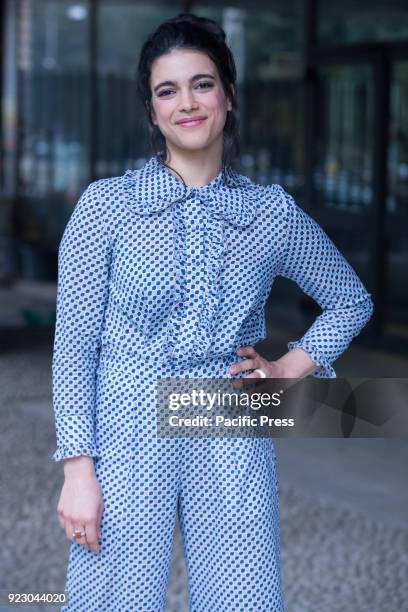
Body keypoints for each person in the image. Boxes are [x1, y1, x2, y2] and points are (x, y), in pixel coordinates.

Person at [51, 12, 374, 612]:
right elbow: (74, 349)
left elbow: (350, 300)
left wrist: (285, 371)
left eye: (202, 83)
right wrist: (77, 470)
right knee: (112, 601)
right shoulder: (108, 208)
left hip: (229, 419)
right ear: (151, 111)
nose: (187, 103)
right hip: (125, 425)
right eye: (166, 90)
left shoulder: (270, 214)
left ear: (228, 94)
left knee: (243, 599)